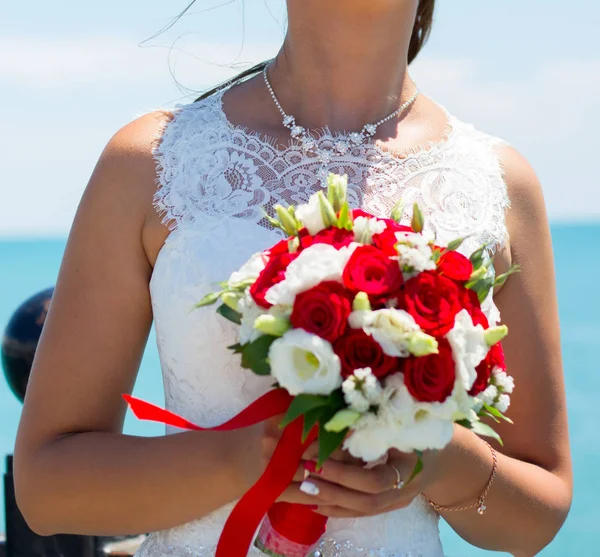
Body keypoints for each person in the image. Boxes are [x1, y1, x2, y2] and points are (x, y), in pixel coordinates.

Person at [13, 1, 572, 556]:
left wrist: (436, 460)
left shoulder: (497, 183)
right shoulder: (150, 162)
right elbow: (45, 491)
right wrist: (249, 458)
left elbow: (537, 519)